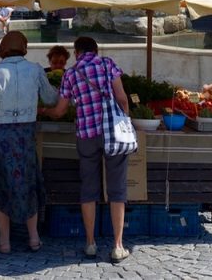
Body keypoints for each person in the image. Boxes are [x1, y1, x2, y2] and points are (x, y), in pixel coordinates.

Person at [45, 36, 131, 263]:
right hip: (113, 134)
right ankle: (118, 246)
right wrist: (126, 121)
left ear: (76, 53)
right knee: (117, 190)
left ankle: (91, 243)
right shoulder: (107, 64)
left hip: (86, 135)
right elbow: (122, 98)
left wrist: (45, 111)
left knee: (89, 189)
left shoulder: (71, 74)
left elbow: (61, 111)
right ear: (96, 50)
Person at [0, 31, 58, 254]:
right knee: (28, 181)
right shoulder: (35, 70)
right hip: (25, 134)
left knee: (3, 183)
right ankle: (33, 238)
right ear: (24, 47)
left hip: (1, 135)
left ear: (2, 49)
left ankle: (4, 242)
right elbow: (51, 99)